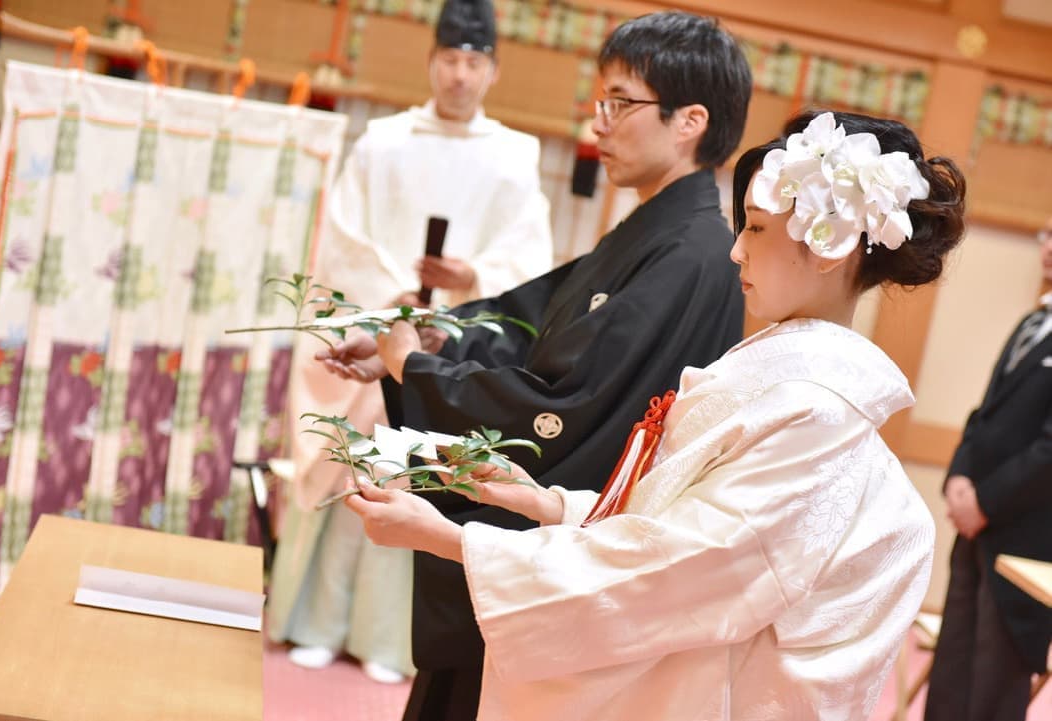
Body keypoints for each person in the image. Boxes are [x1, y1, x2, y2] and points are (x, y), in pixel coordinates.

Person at [343, 110, 966, 720]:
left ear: (828, 246)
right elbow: (678, 522)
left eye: (754, 228)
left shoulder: (817, 410)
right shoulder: (786, 377)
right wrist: (546, 503)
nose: (736, 252)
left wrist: (450, 540)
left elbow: (686, 570)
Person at [322, 11, 752, 718]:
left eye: (620, 102)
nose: (599, 124)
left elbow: (566, 404)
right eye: (599, 102)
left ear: (688, 121)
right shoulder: (659, 234)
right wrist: (425, 340)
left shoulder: (689, 253)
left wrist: (417, 371)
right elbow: (530, 323)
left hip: (562, 561)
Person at [265, 0, 553, 682]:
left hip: (453, 341)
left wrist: (471, 277)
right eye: (449, 59)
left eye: (474, 62)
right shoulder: (383, 142)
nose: (459, 74)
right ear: (431, 62)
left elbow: (528, 258)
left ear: (492, 71)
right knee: (354, 470)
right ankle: (318, 622)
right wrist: (395, 296)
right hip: (378, 326)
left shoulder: (516, 156)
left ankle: (390, 639)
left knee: (418, 480)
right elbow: (343, 236)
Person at [923, 215, 1052, 721]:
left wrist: (987, 500)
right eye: (1046, 233)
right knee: (954, 665)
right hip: (975, 523)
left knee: (994, 681)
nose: (1048, 246)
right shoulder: (1033, 320)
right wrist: (958, 476)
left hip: (1025, 534)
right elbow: (985, 414)